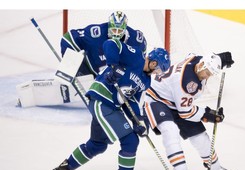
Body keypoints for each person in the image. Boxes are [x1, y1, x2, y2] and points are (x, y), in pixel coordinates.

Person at [50, 37, 170, 170]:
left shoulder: (146, 81)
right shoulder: (136, 55)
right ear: (154, 63)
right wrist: (114, 65)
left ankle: (63, 169)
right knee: (130, 141)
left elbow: (132, 101)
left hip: (111, 106)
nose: (157, 74)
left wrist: (138, 120)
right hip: (101, 99)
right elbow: (111, 43)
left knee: (97, 145)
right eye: (159, 70)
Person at [143, 51, 235, 170]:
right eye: (207, 72)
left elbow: (192, 55)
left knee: (200, 137)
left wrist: (219, 59)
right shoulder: (187, 82)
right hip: (156, 100)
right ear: (201, 66)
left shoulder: (198, 60)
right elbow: (185, 113)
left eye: (211, 73)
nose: (207, 76)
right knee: (171, 131)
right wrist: (208, 115)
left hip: (176, 101)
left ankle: (216, 168)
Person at [16, 11, 147, 108]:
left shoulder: (136, 39)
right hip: (88, 73)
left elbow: (141, 61)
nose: (116, 34)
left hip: (116, 79)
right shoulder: (95, 33)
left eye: (120, 31)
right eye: (113, 30)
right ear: (109, 26)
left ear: (125, 29)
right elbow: (68, 39)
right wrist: (69, 66)